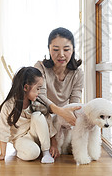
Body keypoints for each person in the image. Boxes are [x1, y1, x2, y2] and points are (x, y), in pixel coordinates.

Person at [0, 66, 55, 164]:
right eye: (38, 88)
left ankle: (46, 152)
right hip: (20, 139)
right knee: (33, 153)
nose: (39, 92)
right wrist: (2, 154)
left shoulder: (37, 103)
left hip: (35, 134)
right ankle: (24, 150)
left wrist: (54, 145)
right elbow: (3, 130)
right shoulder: (8, 106)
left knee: (38, 115)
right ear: (26, 87)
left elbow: (48, 123)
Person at [34, 27, 84, 157]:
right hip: (42, 113)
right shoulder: (40, 68)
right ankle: (51, 141)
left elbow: (74, 104)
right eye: (55, 50)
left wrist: (67, 115)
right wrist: (61, 111)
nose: (61, 54)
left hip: (63, 116)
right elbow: (41, 98)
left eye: (66, 49)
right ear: (49, 49)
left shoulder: (78, 73)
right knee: (39, 109)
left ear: (73, 49)